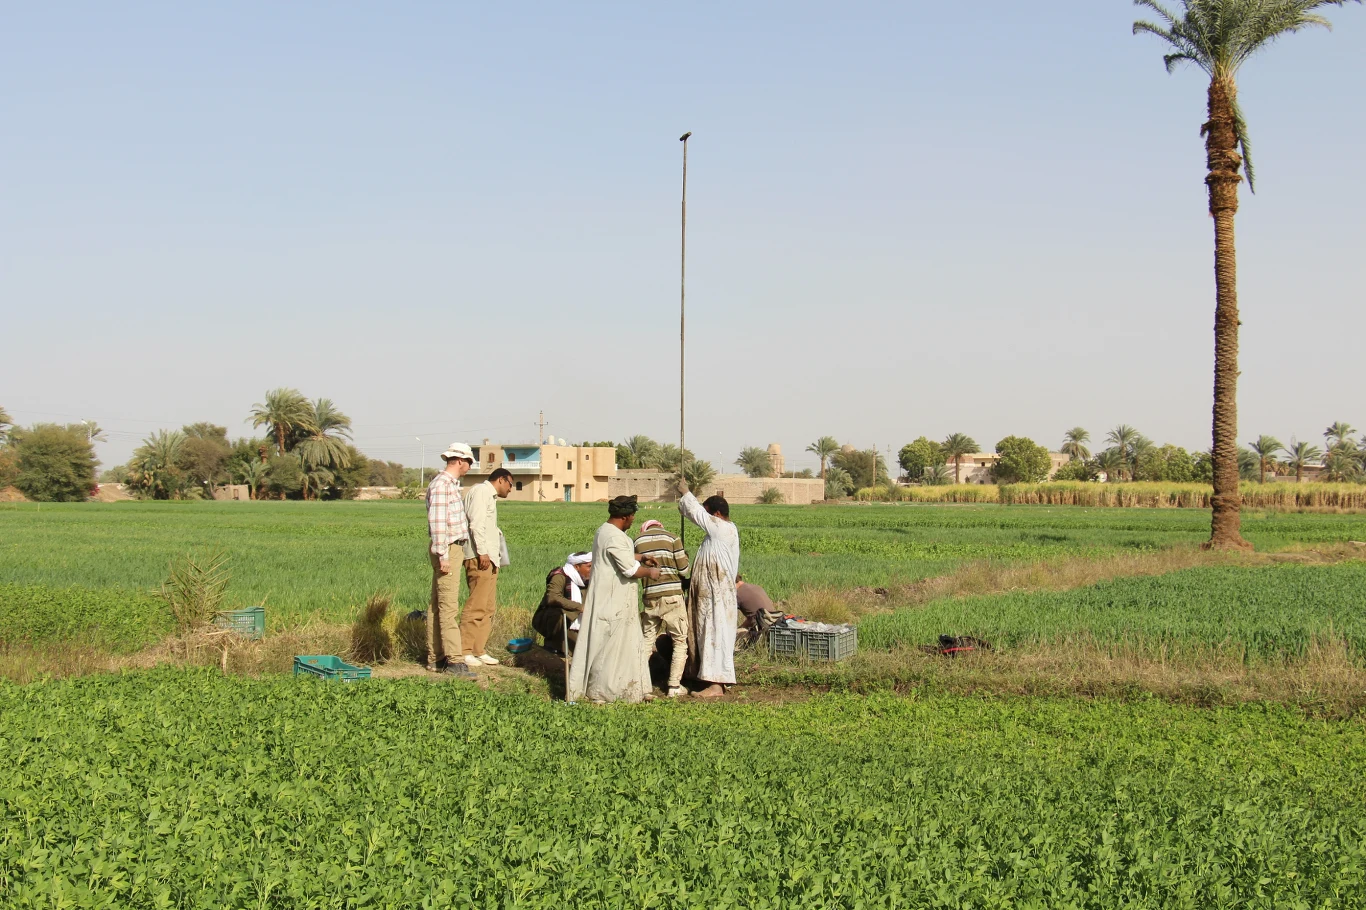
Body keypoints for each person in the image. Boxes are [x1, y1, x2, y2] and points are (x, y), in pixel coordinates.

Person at [566, 495, 662, 704]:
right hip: (612, 601)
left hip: (614, 599)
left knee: (622, 643)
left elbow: (619, 556)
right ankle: (606, 692)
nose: (633, 520)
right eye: (633, 516)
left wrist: (641, 557)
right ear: (626, 516)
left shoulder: (605, 531)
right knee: (610, 647)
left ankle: (627, 687)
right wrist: (649, 572)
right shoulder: (615, 537)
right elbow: (629, 569)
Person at [677, 479, 741, 698]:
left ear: (718, 514)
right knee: (708, 633)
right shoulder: (718, 533)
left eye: (709, 515)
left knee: (715, 633)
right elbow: (693, 514)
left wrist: (686, 492)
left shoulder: (722, 529)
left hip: (717, 595)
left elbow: (696, 514)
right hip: (712, 594)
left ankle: (716, 685)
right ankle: (707, 678)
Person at [425, 443, 476, 678]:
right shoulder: (442, 486)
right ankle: (454, 661)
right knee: (448, 606)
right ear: (459, 461)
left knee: (438, 606)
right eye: (469, 462)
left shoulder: (450, 485)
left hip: (451, 549)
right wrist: (443, 555)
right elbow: (438, 523)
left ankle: (435, 658)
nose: (469, 466)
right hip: (448, 549)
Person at [459, 466, 513, 669]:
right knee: (476, 605)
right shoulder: (481, 491)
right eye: (510, 483)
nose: (510, 489)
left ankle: (478, 649)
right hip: (480, 557)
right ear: (501, 479)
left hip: (491, 559)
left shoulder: (490, 497)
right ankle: (464, 650)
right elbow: (476, 524)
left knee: (488, 607)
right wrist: (482, 552)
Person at [634, 518, 690, 697]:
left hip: (650, 596)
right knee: (680, 641)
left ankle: (639, 683)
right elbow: (684, 570)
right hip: (672, 596)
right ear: (661, 526)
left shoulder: (637, 541)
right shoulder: (673, 539)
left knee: (646, 641)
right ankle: (674, 686)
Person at [532, 552, 591, 655]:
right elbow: (552, 598)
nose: (592, 569)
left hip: (578, 619)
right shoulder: (560, 576)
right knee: (558, 613)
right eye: (589, 566)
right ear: (577, 566)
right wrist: (579, 607)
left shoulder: (587, 579)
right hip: (559, 618)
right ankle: (553, 644)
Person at [735, 575, 783, 650]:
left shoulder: (737, 594)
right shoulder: (757, 587)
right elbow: (754, 614)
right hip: (774, 622)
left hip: (761, 628)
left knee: (730, 639)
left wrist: (739, 628)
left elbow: (728, 618)